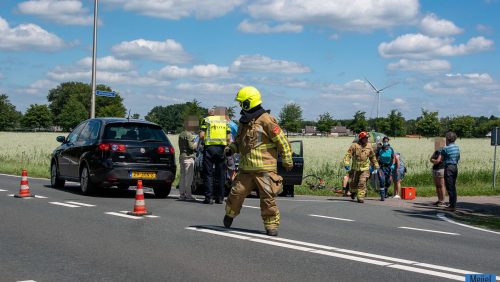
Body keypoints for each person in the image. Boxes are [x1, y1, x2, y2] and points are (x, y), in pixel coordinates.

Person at [223, 86, 293, 237]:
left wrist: (288, 160)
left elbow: (282, 141)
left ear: (249, 103)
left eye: (242, 103)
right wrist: (231, 148)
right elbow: (240, 142)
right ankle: (229, 214)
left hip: (265, 170)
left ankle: (271, 226)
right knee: (236, 194)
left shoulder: (266, 120)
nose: (240, 106)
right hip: (246, 170)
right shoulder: (243, 121)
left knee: (268, 198)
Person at [200, 108, 231, 204]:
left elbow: (201, 135)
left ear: (210, 114)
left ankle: (208, 198)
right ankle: (220, 198)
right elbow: (229, 137)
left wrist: (203, 141)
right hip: (221, 149)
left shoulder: (206, 120)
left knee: (208, 174)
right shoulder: (224, 121)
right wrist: (227, 146)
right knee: (221, 174)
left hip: (209, 148)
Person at [343, 131, 379, 203]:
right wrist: (346, 163)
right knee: (353, 183)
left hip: (365, 169)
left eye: (367, 138)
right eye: (365, 138)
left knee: (362, 182)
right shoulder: (354, 146)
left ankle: (360, 197)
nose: (367, 139)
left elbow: (372, 157)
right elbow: (348, 155)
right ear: (361, 138)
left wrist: (376, 165)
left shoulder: (369, 146)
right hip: (355, 169)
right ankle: (353, 192)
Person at [435, 132, 460, 212]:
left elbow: (440, 159)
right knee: (453, 187)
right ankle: (453, 204)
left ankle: (452, 206)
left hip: (448, 167)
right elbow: (458, 157)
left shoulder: (445, 149)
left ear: (448, 139)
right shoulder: (457, 147)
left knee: (449, 187)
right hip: (455, 167)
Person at [178, 116, 199, 201]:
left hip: (182, 157)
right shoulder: (189, 135)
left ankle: (182, 194)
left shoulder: (181, 134)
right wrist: (197, 141)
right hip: (189, 158)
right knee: (189, 178)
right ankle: (188, 195)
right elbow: (192, 147)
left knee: (182, 177)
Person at [375, 136, 396, 201]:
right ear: (383, 142)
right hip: (381, 167)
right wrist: (376, 165)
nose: (385, 142)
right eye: (384, 141)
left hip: (388, 167)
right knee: (382, 180)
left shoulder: (391, 149)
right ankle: (382, 195)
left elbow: (393, 158)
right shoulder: (379, 149)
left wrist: (392, 165)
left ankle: (385, 191)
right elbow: (375, 158)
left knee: (388, 182)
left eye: (387, 141)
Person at [430, 138, 446, 206]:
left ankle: (442, 201)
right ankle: (439, 200)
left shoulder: (442, 151)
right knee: (437, 186)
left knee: (441, 185)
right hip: (435, 169)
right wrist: (434, 161)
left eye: (436, 143)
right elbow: (431, 159)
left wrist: (434, 160)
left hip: (441, 169)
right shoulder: (436, 151)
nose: (435, 144)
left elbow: (437, 161)